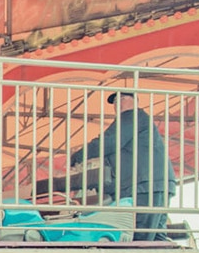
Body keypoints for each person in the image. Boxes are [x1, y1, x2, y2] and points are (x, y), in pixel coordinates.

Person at [69, 91, 177, 241]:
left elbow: (109, 141)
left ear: (135, 101)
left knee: (139, 236)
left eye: (123, 98)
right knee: (156, 237)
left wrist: (77, 156)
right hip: (154, 183)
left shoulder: (132, 116)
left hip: (144, 185)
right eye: (115, 101)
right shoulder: (139, 122)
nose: (117, 103)